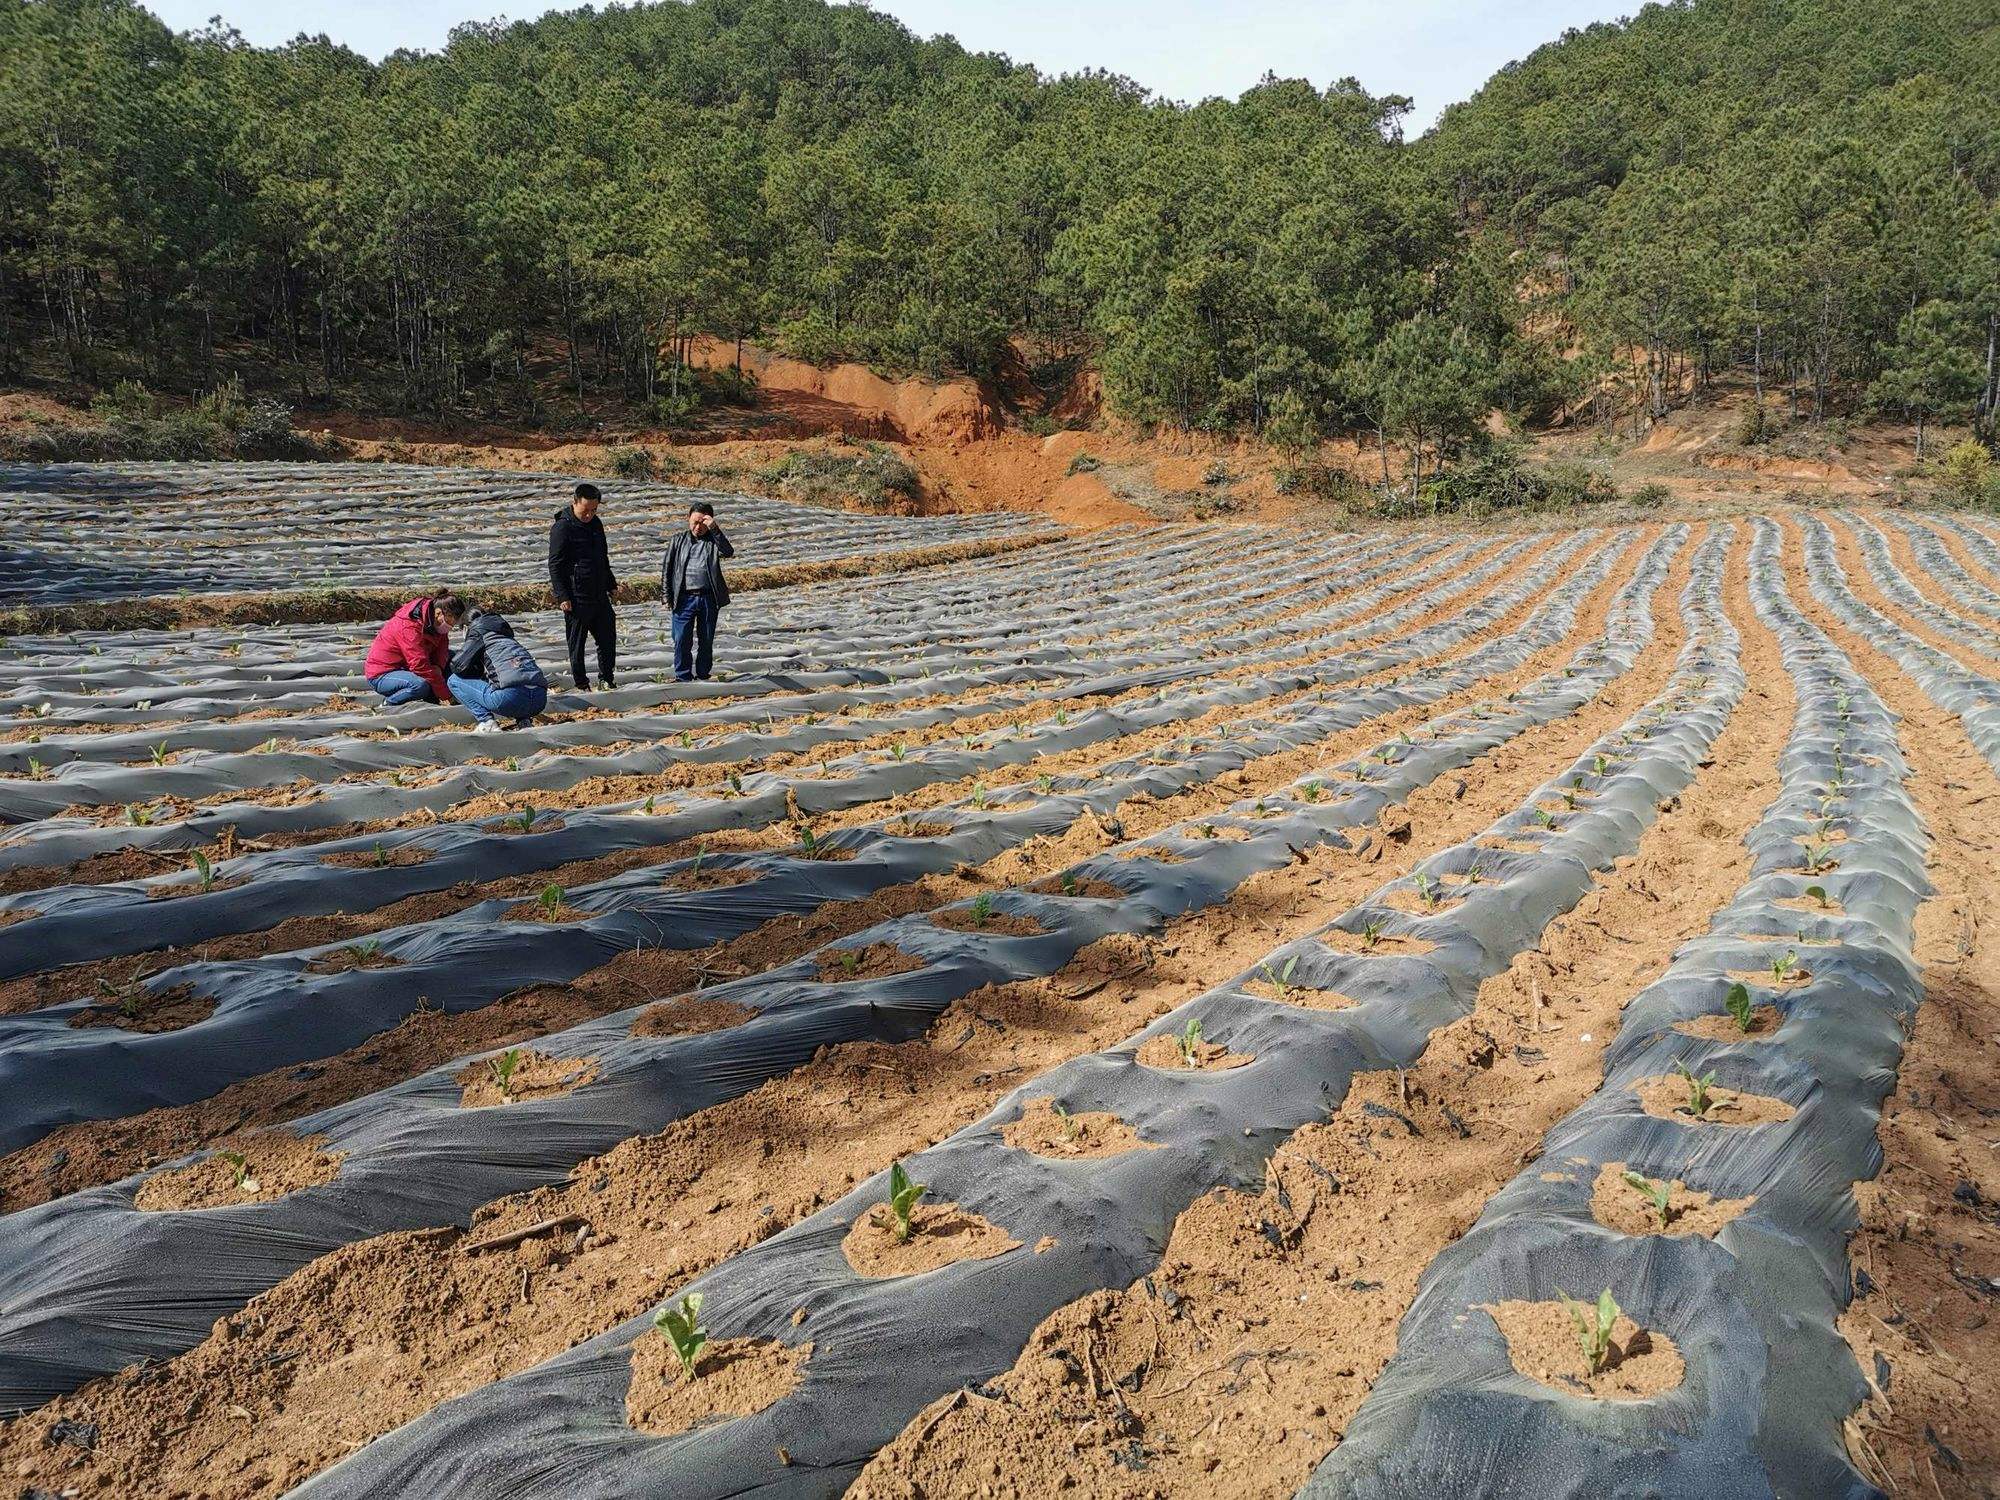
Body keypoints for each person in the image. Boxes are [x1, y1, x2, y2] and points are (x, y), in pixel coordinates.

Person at [548, 481, 617, 691]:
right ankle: (581, 683)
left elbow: (602, 557)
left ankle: (606, 679)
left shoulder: (596, 524)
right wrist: (562, 595)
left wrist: (611, 583)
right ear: (574, 502)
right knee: (577, 644)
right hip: (576, 596)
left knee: (607, 639)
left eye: (594, 510)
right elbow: (555, 563)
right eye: (585, 510)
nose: (589, 515)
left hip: (598, 593)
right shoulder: (563, 527)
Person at [660, 501, 734, 682]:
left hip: (708, 598)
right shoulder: (678, 540)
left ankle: (703, 674)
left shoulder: (713, 542)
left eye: (702, 523)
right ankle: (683, 676)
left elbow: (728, 551)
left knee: (706, 640)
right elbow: (667, 569)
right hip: (684, 598)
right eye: (694, 522)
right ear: (688, 519)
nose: (697, 527)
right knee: (681, 639)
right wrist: (665, 596)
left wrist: (715, 529)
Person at [446, 605, 549, 733]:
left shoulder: (478, 634)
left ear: (466, 628)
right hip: (539, 699)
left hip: (510, 699)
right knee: (512, 676)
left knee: (453, 681)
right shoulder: (506, 637)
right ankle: (524, 721)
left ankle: (486, 722)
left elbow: (457, 666)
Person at [364, 593, 466, 707]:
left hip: (406, 667)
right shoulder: (409, 626)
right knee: (420, 685)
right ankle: (389, 703)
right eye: (449, 623)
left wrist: (438, 666)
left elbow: (442, 645)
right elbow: (419, 665)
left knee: (453, 658)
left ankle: (438, 694)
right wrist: (446, 695)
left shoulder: (434, 621)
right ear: (438, 613)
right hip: (383, 673)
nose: (449, 627)